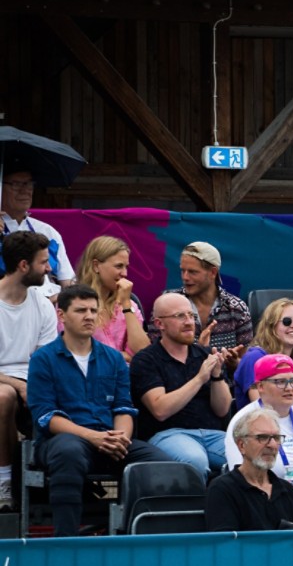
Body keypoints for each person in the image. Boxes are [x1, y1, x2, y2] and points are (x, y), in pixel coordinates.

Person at [27, 285, 171, 536]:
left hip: (109, 439)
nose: (89, 316)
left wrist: (121, 438)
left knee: (160, 462)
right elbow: (46, 416)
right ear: (62, 316)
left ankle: (135, 534)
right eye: (81, 310)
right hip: (61, 441)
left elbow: (124, 407)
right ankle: (66, 542)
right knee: (68, 451)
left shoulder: (113, 358)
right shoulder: (43, 359)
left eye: (94, 310)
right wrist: (93, 436)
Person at [130, 292, 235, 478]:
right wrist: (200, 378)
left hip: (212, 434)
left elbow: (222, 410)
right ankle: (200, 507)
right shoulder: (146, 360)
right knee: (195, 461)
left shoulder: (205, 355)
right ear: (159, 324)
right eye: (180, 316)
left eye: (191, 316)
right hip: (168, 435)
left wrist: (217, 376)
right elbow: (160, 409)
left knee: (252, 457)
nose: (189, 322)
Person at [0, 231, 57, 509]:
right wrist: (19, 384)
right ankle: (4, 483)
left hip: (32, 380)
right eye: (44, 262)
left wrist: (30, 383)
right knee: (4, 396)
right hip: (4, 384)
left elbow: (46, 359)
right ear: (24, 266)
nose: (49, 268)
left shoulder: (43, 304)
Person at [206, 408, 293, 532]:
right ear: (241, 445)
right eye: (262, 437)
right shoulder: (222, 489)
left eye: (276, 438)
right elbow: (226, 545)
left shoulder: (288, 491)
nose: (272, 445)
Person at [224, 354, 293, 487]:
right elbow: (240, 475)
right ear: (260, 386)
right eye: (280, 382)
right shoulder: (243, 422)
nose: (289, 388)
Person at [146, 241, 253, 352]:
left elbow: (244, 360)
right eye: (183, 271)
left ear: (213, 272)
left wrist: (234, 364)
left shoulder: (237, 308)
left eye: (192, 272)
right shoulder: (168, 304)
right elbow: (154, 352)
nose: (185, 277)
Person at [74, 235, 150, 362]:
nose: (125, 273)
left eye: (126, 267)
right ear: (96, 266)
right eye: (119, 266)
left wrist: (126, 304)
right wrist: (124, 356)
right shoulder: (72, 302)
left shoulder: (129, 304)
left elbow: (142, 353)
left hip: (125, 377)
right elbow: (78, 352)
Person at [1, 168, 75, 286]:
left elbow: (67, 281)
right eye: (16, 184)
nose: (25, 190)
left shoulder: (47, 231)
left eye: (29, 184)